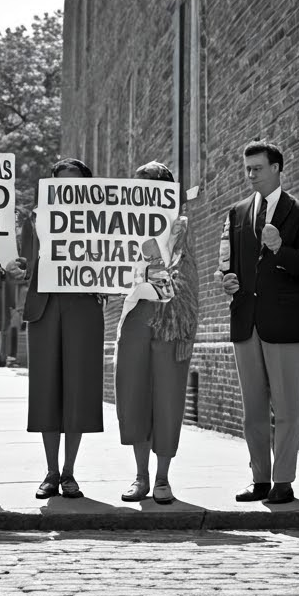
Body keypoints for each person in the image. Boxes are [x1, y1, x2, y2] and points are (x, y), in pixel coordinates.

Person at [217, 140, 299, 504]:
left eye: (257, 168)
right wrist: (226, 279)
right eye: (246, 169)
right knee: (253, 410)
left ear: (276, 168)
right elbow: (228, 263)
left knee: (287, 407)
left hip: (285, 321)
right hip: (246, 320)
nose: (250, 175)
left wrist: (280, 249)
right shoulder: (236, 212)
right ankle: (259, 479)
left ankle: (284, 481)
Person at [6, 158, 104, 500]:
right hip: (44, 307)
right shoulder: (34, 218)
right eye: (60, 182)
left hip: (83, 307)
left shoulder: (101, 218)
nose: (67, 189)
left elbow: (113, 258)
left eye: (74, 183)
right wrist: (16, 269)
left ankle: (69, 472)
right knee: (47, 392)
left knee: (77, 392)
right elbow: (25, 260)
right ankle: (50, 471)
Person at [116, 162, 198, 505]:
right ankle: (140, 476)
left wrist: (151, 278)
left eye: (148, 186)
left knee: (167, 397)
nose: (142, 193)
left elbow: (182, 278)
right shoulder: (120, 226)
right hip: (134, 318)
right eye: (138, 187)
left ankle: (163, 477)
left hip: (169, 320)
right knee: (133, 396)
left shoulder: (180, 227)